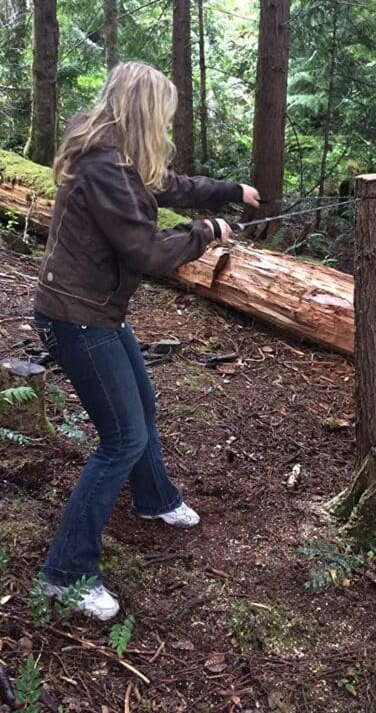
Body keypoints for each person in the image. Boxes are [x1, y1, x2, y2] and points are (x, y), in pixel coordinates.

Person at [32, 61, 260, 621]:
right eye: (163, 114)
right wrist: (205, 232)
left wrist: (229, 191)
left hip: (95, 311)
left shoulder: (117, 153)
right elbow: (148, 252)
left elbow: (167, 184)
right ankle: (65, 572)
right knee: (120, 440)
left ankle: (155, 498)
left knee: (142, 408)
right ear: (143, 111)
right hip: (78, 318)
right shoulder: (106, 168)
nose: (167, 125)